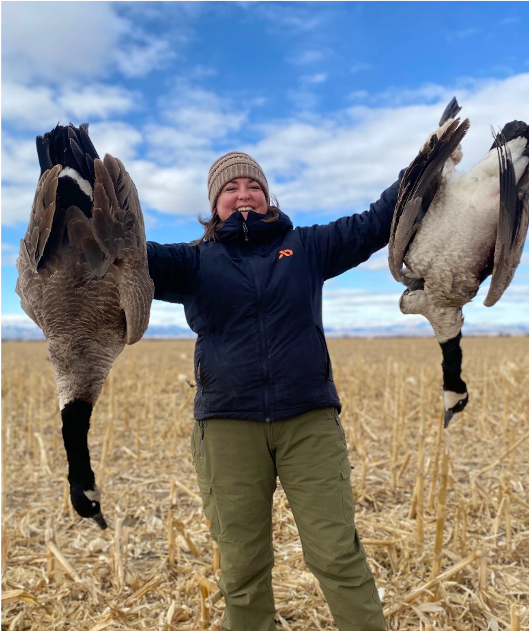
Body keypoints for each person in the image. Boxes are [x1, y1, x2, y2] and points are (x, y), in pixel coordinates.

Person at [147, 152, 402, 631]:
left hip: (308, 422)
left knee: (336, 554)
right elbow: (121, 255)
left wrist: (418, 170)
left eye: (252, 186)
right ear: (214, 203)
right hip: (227, 428)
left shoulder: (306, 247)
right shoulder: (192, 262)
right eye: (230, 188)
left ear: (267, 196)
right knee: (242, 567)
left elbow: (374, 223)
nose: (243, 194)